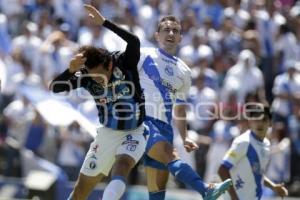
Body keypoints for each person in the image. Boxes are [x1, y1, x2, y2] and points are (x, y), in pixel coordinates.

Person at [49, 5, 146, 200]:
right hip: (107, 133)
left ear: (108, 65)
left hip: (134, 130)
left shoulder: (123, 62)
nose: (94, 80)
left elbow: (134, 41)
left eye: (97, 75)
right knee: (80, 190)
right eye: (90, 75)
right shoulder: (85, 75)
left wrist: (104, 23)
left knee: (122, 165)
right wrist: (70, 71)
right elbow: (55, 87)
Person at [137, 15, 232, 200]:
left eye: (176, 31)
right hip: (143, 121)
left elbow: (179, 110)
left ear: (180, 38)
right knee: (169, 154)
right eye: (166, 29)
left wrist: (185, 136)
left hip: (165, 128)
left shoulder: (185, 71)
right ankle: (206, 190)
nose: (171, 33)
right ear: (157, 35)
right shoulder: (142, 54)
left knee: (157, 192)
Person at [218, 105, 289, 200]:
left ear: (270, 123)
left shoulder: (266, 144)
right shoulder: (244, 142)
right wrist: (234, 198)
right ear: (250, 121)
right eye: (256, 119)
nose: (260, 124)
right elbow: (222, 170)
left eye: (264, 120)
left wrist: (273, 186)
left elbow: (257, 172)